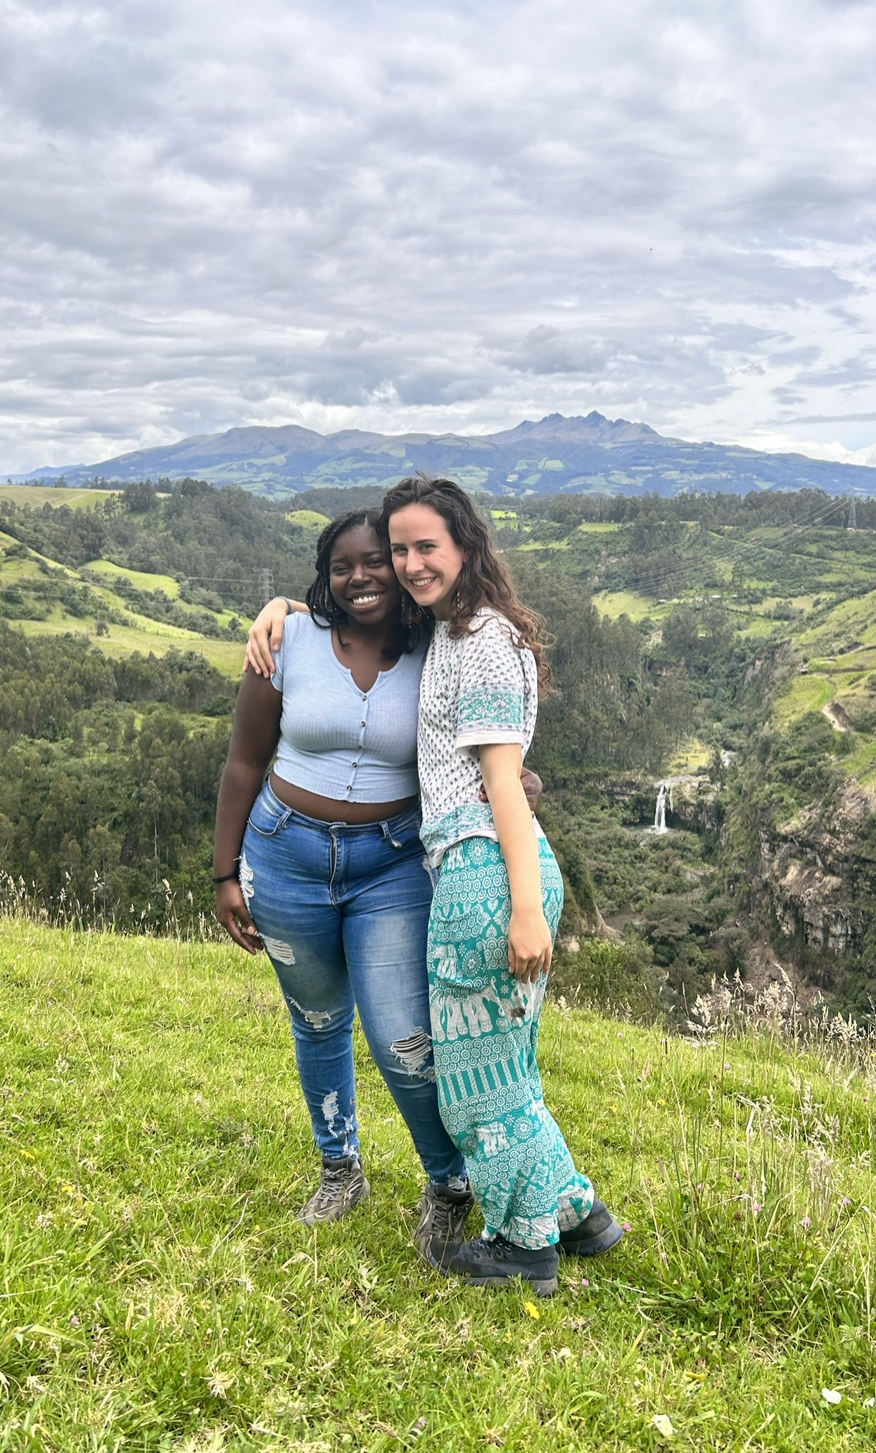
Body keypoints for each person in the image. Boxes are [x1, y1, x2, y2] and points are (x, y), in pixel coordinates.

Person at [380, 476, 622, 1297]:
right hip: (494, 870)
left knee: (475, 1079)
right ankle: (576, 1212)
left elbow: (505, 784)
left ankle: (523, 1245)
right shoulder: (459, 628)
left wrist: (523, 908)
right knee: (508, 1066)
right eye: (400, 549)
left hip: (486, 872)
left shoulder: (479, 637)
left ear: (465, 547)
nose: (412, 563)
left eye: (427, 547)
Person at [214, 510, 475, 1254]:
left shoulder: (437, 647)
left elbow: (474, 741)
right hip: (284, 856)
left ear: (400, 568)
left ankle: (447, 1181)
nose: (360, 577)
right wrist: (225, 871)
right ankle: (340, 1164)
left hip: (391, 864)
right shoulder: (286, 641)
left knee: (403, 1037)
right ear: (323, 576)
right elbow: (243, 760)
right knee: (319, 1019)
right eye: (341, 566)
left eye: (376, 562)